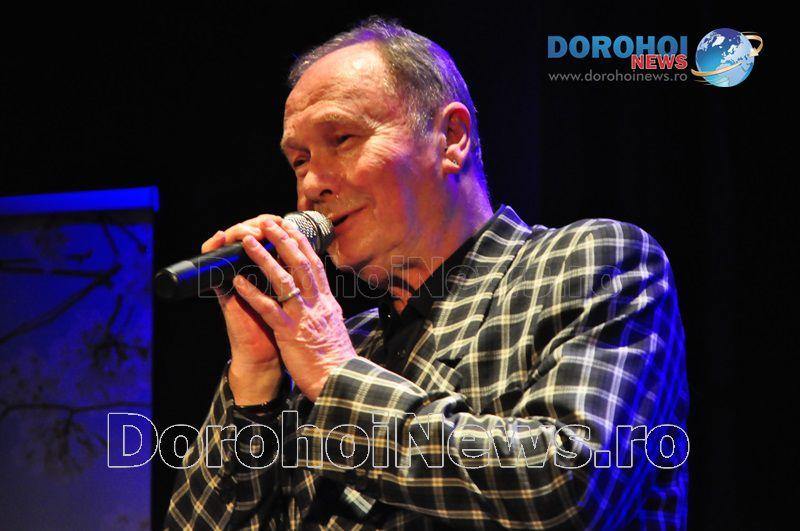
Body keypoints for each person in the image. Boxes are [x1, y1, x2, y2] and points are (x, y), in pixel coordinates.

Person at [165, 17, 688, 530]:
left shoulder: (592, 260)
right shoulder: (339, 343)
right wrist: (255, 381)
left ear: (451, 138)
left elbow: (570, 487)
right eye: (299, 161)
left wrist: (335, 378)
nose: (312, 184)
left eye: (341, 138)